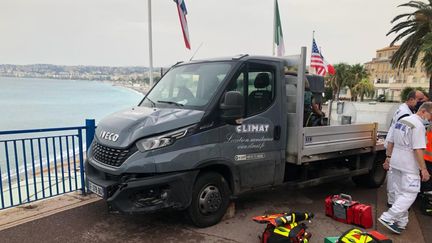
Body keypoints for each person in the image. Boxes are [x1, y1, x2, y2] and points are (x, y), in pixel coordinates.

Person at [379, 102, 432, 234]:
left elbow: (390, 140)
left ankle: (401, 222)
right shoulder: (418, 126)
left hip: (396, 161)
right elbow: (418, 149)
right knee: (410, 193)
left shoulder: (402, 120)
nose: (430, 119)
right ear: (424, 112)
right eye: (431, 115)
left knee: (399, 193)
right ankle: (388, 217)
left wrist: (388, 157)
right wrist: (423, 169)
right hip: (409, 164)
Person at [386, 90, 425, 208]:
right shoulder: (407, 115)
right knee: (401, 186)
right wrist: (389, 156)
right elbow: (410, 143)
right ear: (412, 99)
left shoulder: (403, 109)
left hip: (395, 150)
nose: (420, 103)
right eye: (419, 100)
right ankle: (395, 208)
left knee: (394, 180)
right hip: (400, 152)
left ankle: (393, 205)